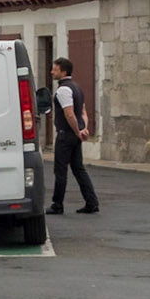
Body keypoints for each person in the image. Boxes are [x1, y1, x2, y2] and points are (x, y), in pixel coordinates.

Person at [49, 58, 98, 214]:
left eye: (55, 70)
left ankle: (57, 205)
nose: (52, 72)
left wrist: (77, 131)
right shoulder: (77, 88)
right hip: (75, 135)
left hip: (66, 135)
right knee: (78, 169)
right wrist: (83, 129)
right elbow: (83, 111)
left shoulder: (63, 90)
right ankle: (92, 202)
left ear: (63, 72)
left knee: (60, 170)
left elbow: (69, 114)